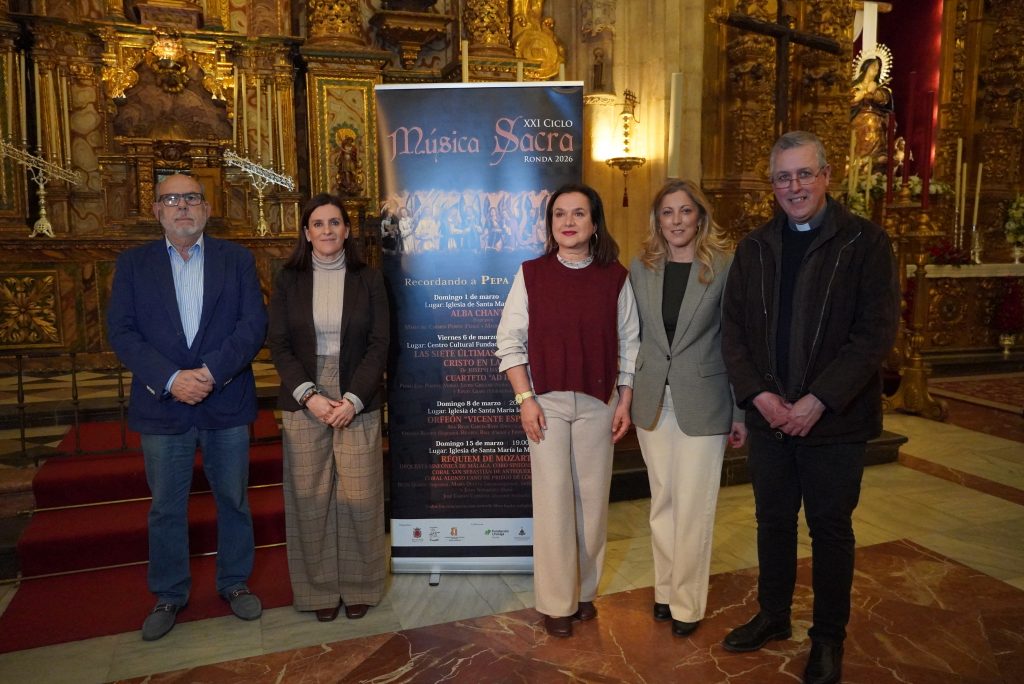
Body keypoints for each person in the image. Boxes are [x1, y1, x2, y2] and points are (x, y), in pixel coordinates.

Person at [720, 131, 899, 684]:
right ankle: (773, 615)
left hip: (836, 420)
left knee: (829, 530)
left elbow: (873, 334)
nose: (794, 186)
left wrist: (818, 399)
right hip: (770, 418)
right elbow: (733, 331)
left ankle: (827, 639)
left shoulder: (866, 242)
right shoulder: (754, 247)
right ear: (772, 185)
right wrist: (760, 396)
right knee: (772, 522)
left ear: (826, 175)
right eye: (783, 177)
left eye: (804, 174)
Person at [107, 173, 268, 641]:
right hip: (163, 405)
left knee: (233, 498)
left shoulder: (236, 259)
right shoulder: (133, 264)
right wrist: (172, 379)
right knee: (166, 506)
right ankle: (169, 593)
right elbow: (122, 331)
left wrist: (211, 374)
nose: (182, 206)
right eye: (172, 199)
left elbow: (252, 325)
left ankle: (234, 581)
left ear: (206, 208)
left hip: (225, 400)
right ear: (156, 210)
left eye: (192, 198)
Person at [495, 182, 639, 638]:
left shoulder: (615, 277)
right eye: (560, 214)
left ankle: (584, 592)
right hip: (547, 404)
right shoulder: (531, 275)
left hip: (600, 404)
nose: (569, 222)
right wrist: (525, 400)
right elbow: (508, 341)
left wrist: (625, 400)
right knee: (554, 501)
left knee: (592, 504)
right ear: (550, 223)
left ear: (595, 224)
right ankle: (557, 603)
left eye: (579, 213)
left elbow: (630, 344)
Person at [629, 179, 746, 638]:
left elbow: (737, 341)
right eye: (667, 212)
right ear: (657, 220)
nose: (676, 220)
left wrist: (740, 412)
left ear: (700, 216)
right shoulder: (642, 267)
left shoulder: (725, 266)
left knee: (694, 505)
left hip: (706, 401)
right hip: (652, 399)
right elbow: (634, 335)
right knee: (663, 501)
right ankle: (664, 590)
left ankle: (687, 603)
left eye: (685, 211)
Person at [267, 193, 389, 622]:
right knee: (310, 497)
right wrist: (309, 395)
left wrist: (353, 399)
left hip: (358, 391)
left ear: (347, 230)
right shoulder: (289, 280)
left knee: (361, 493)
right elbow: (278, 344)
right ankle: (318, 590)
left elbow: (379, 343)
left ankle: (360, 585)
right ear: (306, 232)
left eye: (334, 222)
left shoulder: (368, 279)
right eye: (318, 224)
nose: (327, 230)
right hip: (305, 391)